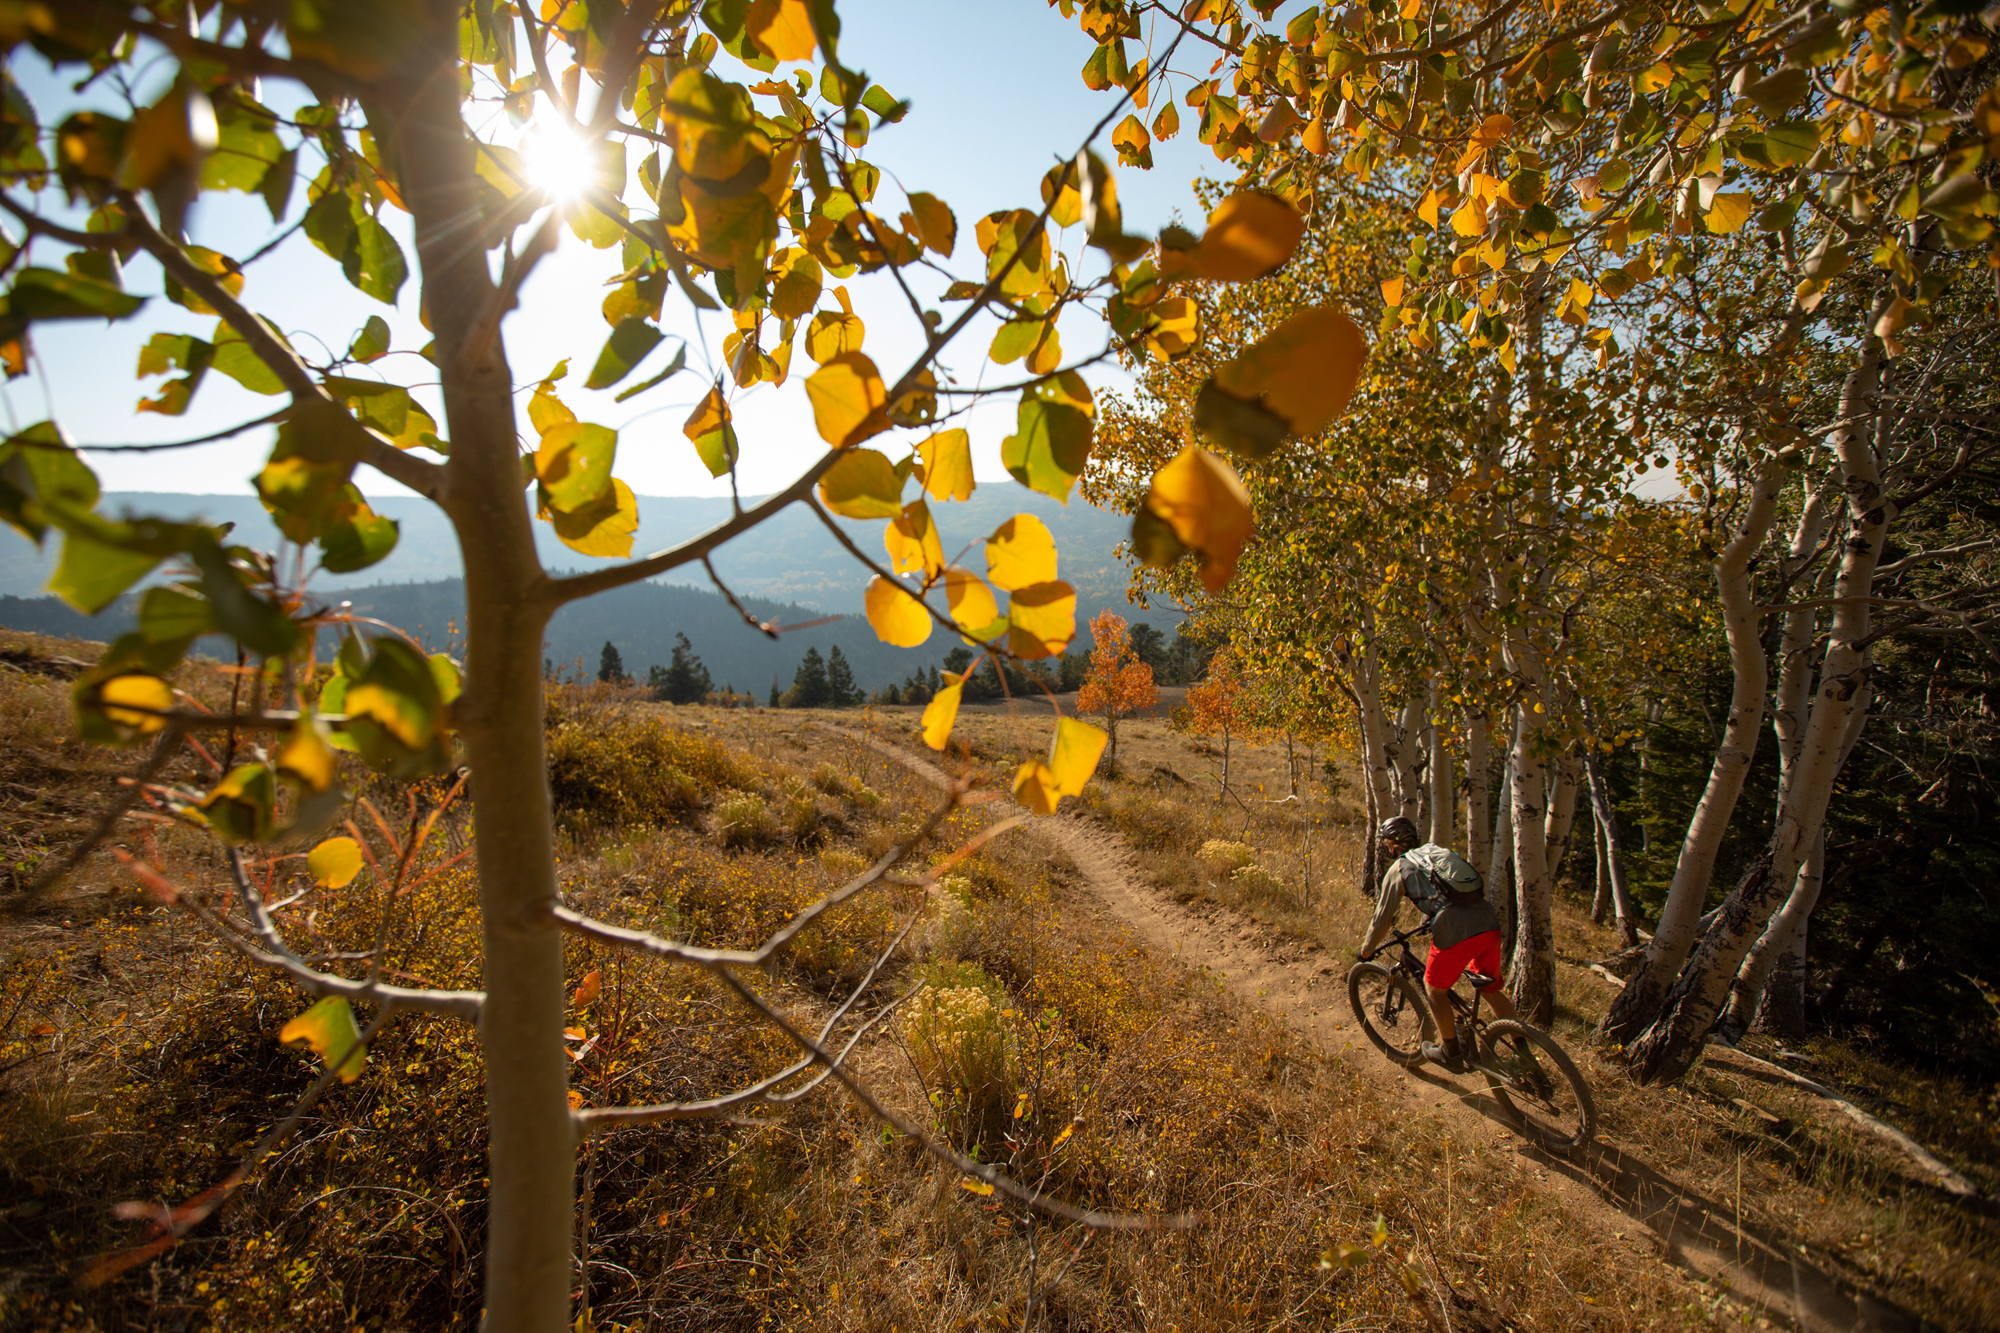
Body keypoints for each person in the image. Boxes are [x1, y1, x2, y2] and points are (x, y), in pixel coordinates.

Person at [1358, 816, 1517, 1073]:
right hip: (1487, 922)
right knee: (1490, 988)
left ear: (1392, 845)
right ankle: (1523, 1051)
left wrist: (1366, 952)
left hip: (1456, 930)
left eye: (1388, 844)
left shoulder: (1399, 868)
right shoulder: (1437, 851)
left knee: (1434, 990)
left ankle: (1450, 1052)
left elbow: (1381, 920)